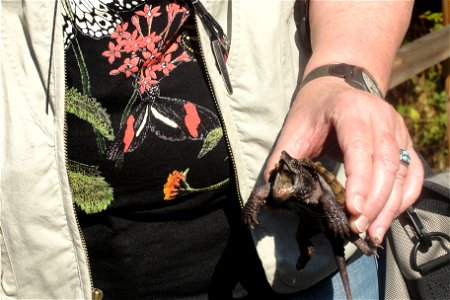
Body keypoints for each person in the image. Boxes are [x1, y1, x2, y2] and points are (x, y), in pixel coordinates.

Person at [0, 0, 424, 299]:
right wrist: (261, 201)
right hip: (43, 274)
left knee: (333, 224)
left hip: (296, 274)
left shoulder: (301, 182)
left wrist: (343, 69)